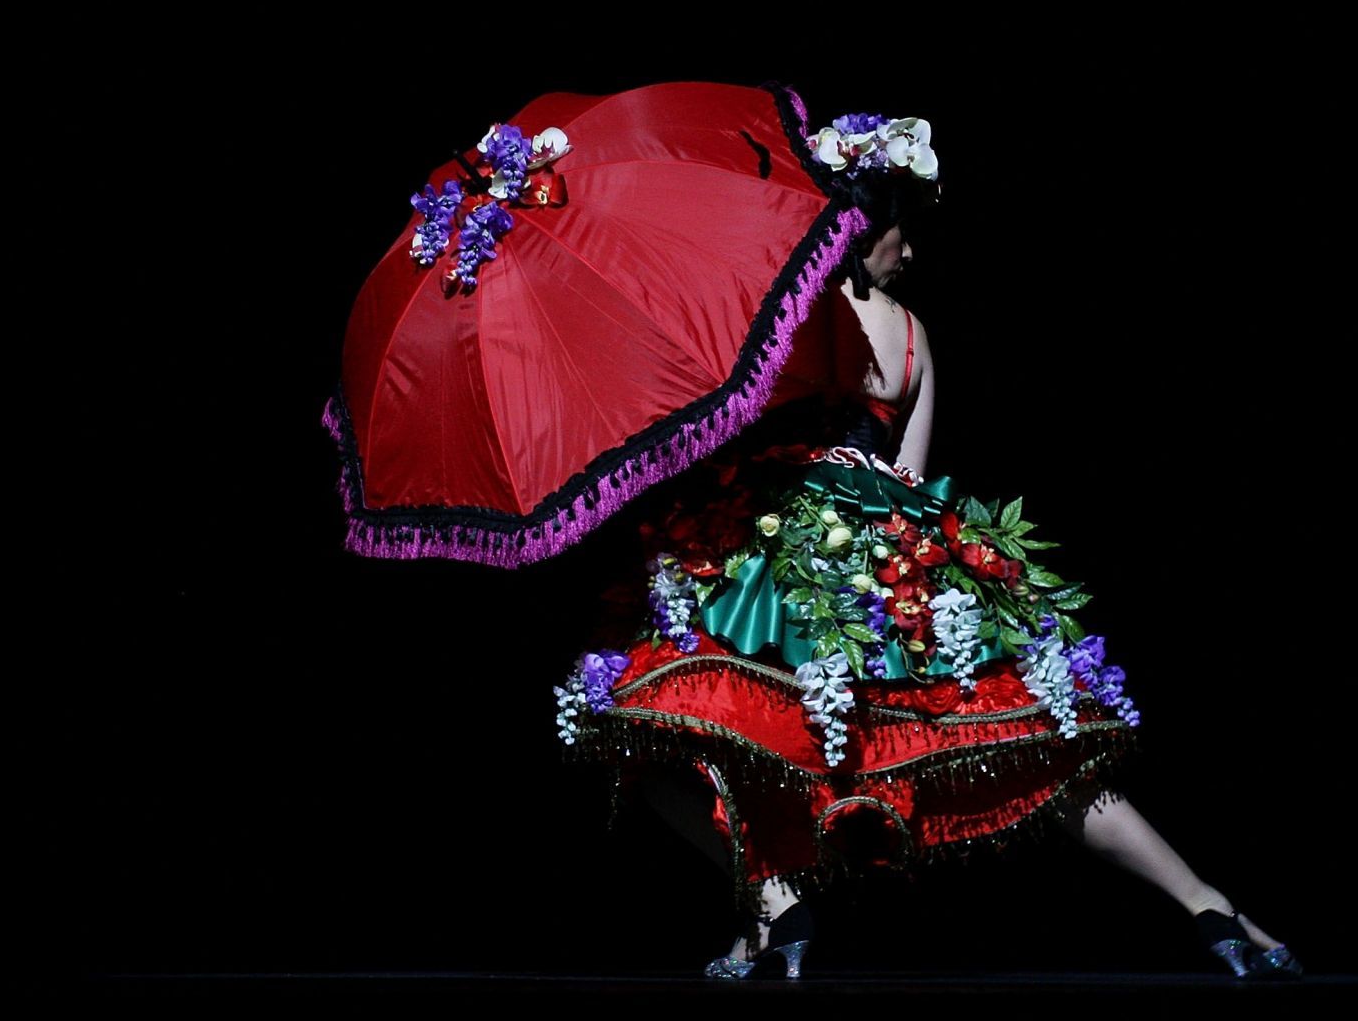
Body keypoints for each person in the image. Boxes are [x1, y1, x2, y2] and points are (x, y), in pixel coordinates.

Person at [553, 110, 1302, 981]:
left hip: (775, 555)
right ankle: (1208, 904)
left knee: (670, 741)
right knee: (1035, 743)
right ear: (866, 223)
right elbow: (910, 481)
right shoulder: (910, 334)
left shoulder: (774, 315)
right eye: (904, 231)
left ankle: (778, 912)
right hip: (899, 565)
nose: (911, 254)